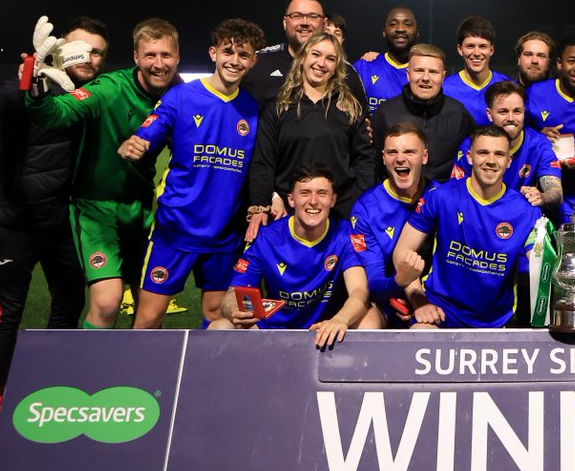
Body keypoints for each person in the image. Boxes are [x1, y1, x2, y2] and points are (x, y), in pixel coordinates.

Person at [0, 16, 107, 414]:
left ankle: (52, 386)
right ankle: (0, 407)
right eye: (80, 49)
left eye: (97, 53)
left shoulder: (93, 96)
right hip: (14, 223)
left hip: (63, 224)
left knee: (68, 304)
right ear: (59, 50)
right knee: (6, 315)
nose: (89, 58)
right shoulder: (33, 85)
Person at [25, 17, 180, 329]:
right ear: (136, 57)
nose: (158, 64)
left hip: (143, 212)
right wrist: (37, 86)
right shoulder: (110, 88)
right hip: (96, 209)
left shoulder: (180, 97)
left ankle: (140, 362)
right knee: (108, 302)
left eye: (166, 55)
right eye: (150, 55)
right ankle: (91, 362)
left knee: (151, 309)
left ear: (177, 57)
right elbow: (55, 114)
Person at [119, 19, 265, 328]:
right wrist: (138, 142)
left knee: (216, 317)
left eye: (243, 55)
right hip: (175, 228)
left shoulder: (252, 110)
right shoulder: (181, 97)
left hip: (224, 235)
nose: (234, 61)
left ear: (253, 60)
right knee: (149, 317)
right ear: (213, 53)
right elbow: (152, 127)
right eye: (228, 52)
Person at [210, 164, 382, 346]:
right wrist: (234, 310)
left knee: (369, 322)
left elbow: (359, 290)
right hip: (273, 328)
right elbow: (233, 293)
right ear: (291, 200)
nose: (313, 201)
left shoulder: (344, 234)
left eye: (322, 193)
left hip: (324, 327)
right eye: (305, 193)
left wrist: (339, 320)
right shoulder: (266, 238)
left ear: (333, 200)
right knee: (219, 327)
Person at [392, 126, 542, 328]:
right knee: (420, 333)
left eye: (499, 154)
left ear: (509, 161)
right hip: (441, 311)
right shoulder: (442, 196)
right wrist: (418, 301)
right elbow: (402, 251)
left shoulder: (526, 210)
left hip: (496, 321)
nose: (491, 160)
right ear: (470, 157)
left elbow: (542, 264)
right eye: (483, 153)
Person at [247, 33, 372, 240]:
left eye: (330, 58)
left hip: (338, 217)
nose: (321, 63)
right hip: (285, 214)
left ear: (337, 66)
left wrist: (354, 206)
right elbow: (263, 162)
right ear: (303, 58)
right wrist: (266, 200)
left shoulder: (350, 109)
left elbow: (364, 162)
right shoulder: (278, 107)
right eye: (316, 54)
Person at [350, 123, 437, 327]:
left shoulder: (441, 197)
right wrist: (399, 282)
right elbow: (373, 282)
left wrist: (420, 301)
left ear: (424, 157)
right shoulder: (365, 210)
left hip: (436, 301)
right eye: (392, 152)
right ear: (383, 158)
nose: (400, 158)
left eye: (409, 152)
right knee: (364, 325)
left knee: (425, 330)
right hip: (388, 299)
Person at [451, 81, 563, 214]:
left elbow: (556, 192)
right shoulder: (471, 145)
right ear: (489, 114)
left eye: (517, 111)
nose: (511, 118)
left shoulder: (539, 145)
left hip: (519, 216)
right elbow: (455, 191)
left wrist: (541, 197)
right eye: (503, 112)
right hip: (479, 213)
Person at [240, 0, 366, 109]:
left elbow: (362, 120)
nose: (304, 22)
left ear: (324, 24)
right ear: (285, 22)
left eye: (313, 17)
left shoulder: (344, 72)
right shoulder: (258, 63)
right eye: (297, 16)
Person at [370, 43, 475, 182]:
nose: (425, 78)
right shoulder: (385, 113)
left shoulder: (459, 113)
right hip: (396, 193)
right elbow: (372, 165)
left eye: (433, 72)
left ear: (443, 77)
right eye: (419, 70)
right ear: (408, 74)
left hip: (443, 194)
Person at [526, 33, 575, 221]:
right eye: (572, 61)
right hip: (541, 193)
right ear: (559, 63)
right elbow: (518, 135)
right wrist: (540, 134)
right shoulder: (535, 93)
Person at [442, 15, 511, 125]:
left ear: (491, 50)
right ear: (460, 49)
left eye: (482, 46)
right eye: (470, 46)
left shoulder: (508, 86)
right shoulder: (445, 89)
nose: (477, 53)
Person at [354, 6, 418, 115]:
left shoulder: (425, 74)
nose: (400, 29)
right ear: (384, 32)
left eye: (407, 24)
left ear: (417, 33)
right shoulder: (364, 67)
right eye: (393, 24)